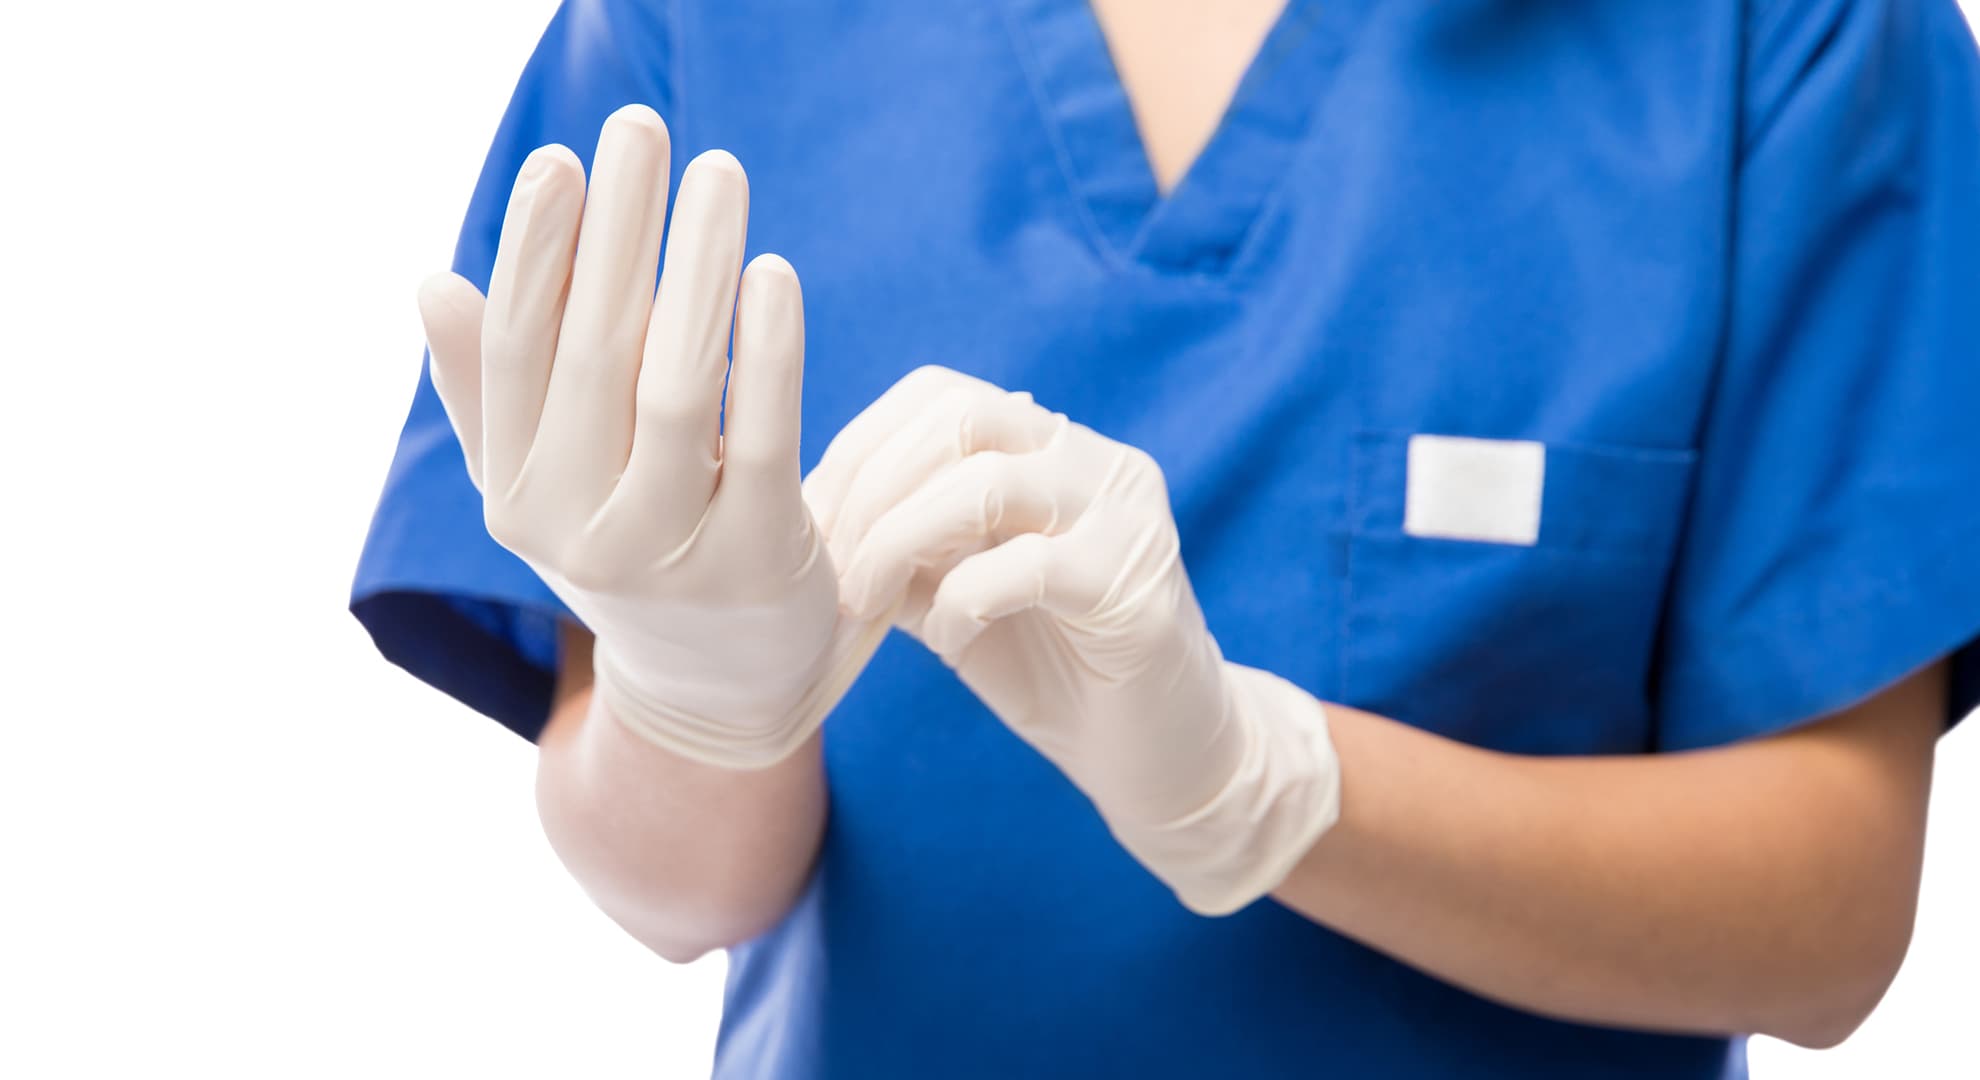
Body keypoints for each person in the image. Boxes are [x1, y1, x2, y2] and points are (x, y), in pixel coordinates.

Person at [350, 0, 1980, 1075]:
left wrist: (1266, 789)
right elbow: (677, 894)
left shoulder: (1787, 36)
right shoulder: (712, 25)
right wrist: (689, 695)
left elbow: (1830, 921)